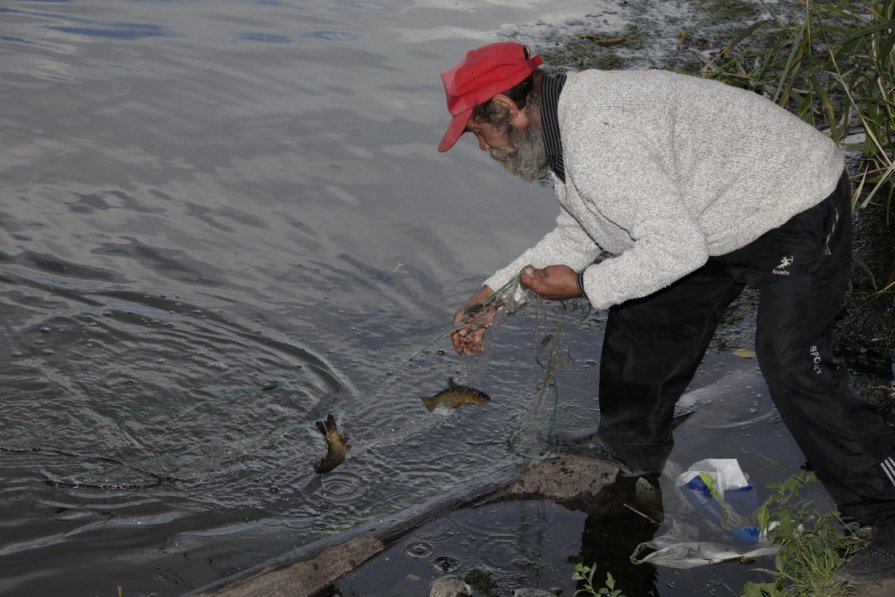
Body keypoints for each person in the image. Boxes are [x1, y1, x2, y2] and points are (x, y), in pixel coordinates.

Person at [436, 40, 895, 583]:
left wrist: (584, 285)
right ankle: (628, 443)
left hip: (792, 202)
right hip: (707, 213)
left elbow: (675, 249)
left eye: (478, 132)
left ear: (510, 110)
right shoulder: (562, 126)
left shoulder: (598, 138)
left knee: (793, 362)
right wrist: (495, 295)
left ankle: (883, 511)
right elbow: (586, 230)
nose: (484, 146)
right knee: (646, 312)